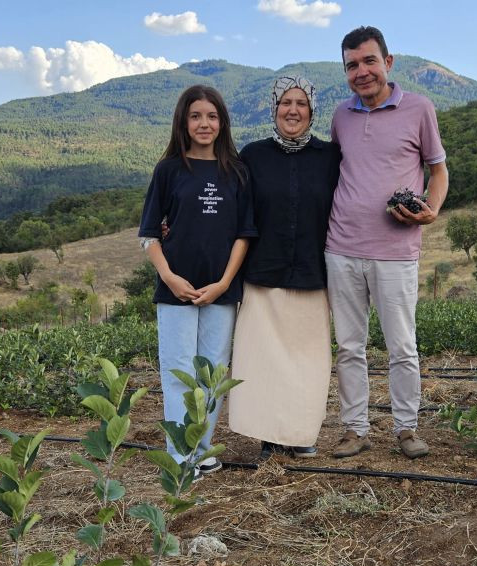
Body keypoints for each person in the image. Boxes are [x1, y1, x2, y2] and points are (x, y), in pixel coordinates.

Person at [325, 25, 449, 460]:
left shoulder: (419, 109)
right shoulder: (340, 116)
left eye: (369, 61)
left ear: (388, 62)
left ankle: (406, 428)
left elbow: (437, 170)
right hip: (340, 248)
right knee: (348, 346)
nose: (361, 72)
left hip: (396, 251)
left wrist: (431, 209)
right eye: (352, 65)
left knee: (401, 345)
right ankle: (355, 429)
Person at [138, 84, 257, 472]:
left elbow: (244, 234)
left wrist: (224, 283)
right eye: (195, 116)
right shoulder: (169, 170)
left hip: (221, 291)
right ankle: (180, 453)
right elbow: (150, 235)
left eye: (211, 116)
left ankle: (201, 448)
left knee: (213, 370)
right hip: (177, 290)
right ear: (183, 122)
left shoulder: (237, 171)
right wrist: (170, 277)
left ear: (222, 122)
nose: (204, 124)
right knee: (178, 371)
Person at [228, 76, 342, 459]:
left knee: (307, 362)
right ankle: (268, 435)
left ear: (312, 111)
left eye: (301, 104)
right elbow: (234, 210)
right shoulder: (253, 155)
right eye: (285, 103)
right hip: (264, 271)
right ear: (274, 108)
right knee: (264, 360)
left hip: (312, 272)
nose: (293, 110)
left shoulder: (330, 158)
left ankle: (300, 432)